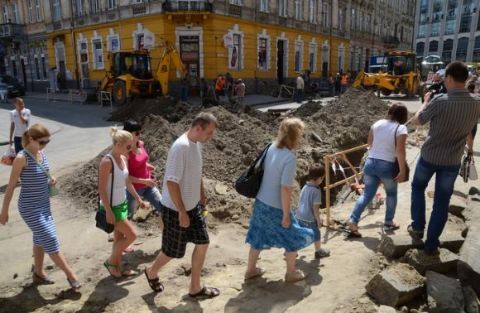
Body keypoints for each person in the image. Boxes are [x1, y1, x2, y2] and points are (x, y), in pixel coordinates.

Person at [144, 113, 220, 299]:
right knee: (172, 252)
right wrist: (181, 212)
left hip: (193, 206)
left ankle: (195, 287)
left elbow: (197, 172)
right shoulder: (181, 147)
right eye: (209, 133)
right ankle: (151, 271)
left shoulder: (197, 144)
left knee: (203, 243)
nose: (210, 137)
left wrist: (201, 194)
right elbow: (171, 182)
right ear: (198, 128)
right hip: (175, 209)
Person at [409, 61, 480, 255]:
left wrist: (425, 102)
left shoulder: (440, 100)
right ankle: (431, 245)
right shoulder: (476, 103)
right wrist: (470, 150)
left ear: (449, 78)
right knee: (442, 202)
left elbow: (417, 121)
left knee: (417, 187)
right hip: (452, 161)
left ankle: (417, 227)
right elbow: (469, 132)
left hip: (430, 156)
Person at [0, 124, 81, 290]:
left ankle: (38, 272)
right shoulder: (21, 158)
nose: (45, 145)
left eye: (47, 142)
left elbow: (45, 173)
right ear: (31, 139)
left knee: (40, 238)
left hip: (44, 204)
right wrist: (4, 211)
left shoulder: (41, 153)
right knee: (50, 238)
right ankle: (71, 275)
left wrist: (52, 179)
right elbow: (10, 187)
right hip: (29, 207)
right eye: (42, 142)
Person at [245, 118, 315, 283]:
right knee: (293, 236)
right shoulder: (289, 157)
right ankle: (291, 272)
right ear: (295, 136)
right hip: (276, 205)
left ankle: (250, 270)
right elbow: (285, 188)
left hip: (261, 200)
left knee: (258, 234)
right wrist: (285, 214)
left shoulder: (270, 147)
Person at [347, 104, 409, 237]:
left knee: (366, 194)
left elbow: (369, 144)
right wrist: (402, 170)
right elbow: (400, 151)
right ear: (403, 116)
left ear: (390, 112)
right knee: (391, 194)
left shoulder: (377, 123)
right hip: (387, 165)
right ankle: (388, 222)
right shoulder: (401, 128)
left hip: (370, 163)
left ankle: (353, 220)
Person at [99, 127, 147, 277]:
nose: (131, 149)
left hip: (123, 203)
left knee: (118, 239)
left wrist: (138, 199)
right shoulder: (107, 162)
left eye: (132, 146)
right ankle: (111, 262)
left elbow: (127, 183)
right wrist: (108, 211)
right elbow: (101, 189)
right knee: (132, 235)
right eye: (128, 146)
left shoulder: (124, 159)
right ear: (118, 144)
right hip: (112, 208)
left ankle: (117, 267)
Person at [123, 120, 163, 221]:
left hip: (148, 186)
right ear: (128, 134)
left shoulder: (140, 144)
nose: (139, 135)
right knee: (127, 217)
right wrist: (144, 181)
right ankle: (120, 235)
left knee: (164, 208)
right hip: (133, 190)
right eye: (137, 133)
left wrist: (149, 166)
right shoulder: (125, 152)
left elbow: (141, 162)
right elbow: (126, 177)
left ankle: (167, 234)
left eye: (140, 132)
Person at [295, 163, 331, 259]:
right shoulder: (316, 191)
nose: (322, 180)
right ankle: (318, 251)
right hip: (309, 218)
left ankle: (291, 251)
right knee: (316, 233)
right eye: (322, 178)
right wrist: (318, 221)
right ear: (319, 178)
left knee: (298, 234)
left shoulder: (305, 186)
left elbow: (300, 201)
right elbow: (315, 209)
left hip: (298, 215)